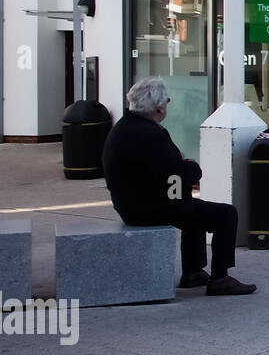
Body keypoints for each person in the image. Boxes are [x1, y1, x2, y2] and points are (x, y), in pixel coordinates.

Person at [101, 77, 255, 296]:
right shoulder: (151, 134)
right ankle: (220, 277)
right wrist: (192, 168)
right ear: (160, 107)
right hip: (149, 208)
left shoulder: (122, 129)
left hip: (130, 206)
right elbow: (177, 174)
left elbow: (168, 172)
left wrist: (181, 168)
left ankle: (193, 272)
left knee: (193, 209)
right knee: (225, 214)